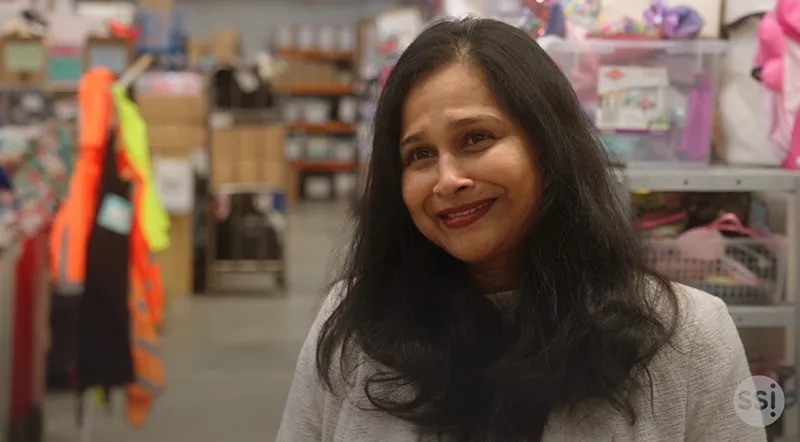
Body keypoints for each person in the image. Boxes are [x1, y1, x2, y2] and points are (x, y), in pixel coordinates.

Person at [277, 17, 766, 442]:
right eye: (419, 155)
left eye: (476, 138)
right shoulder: (356, 325)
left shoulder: (692, 336)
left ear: (549, 146)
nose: (448, 180)